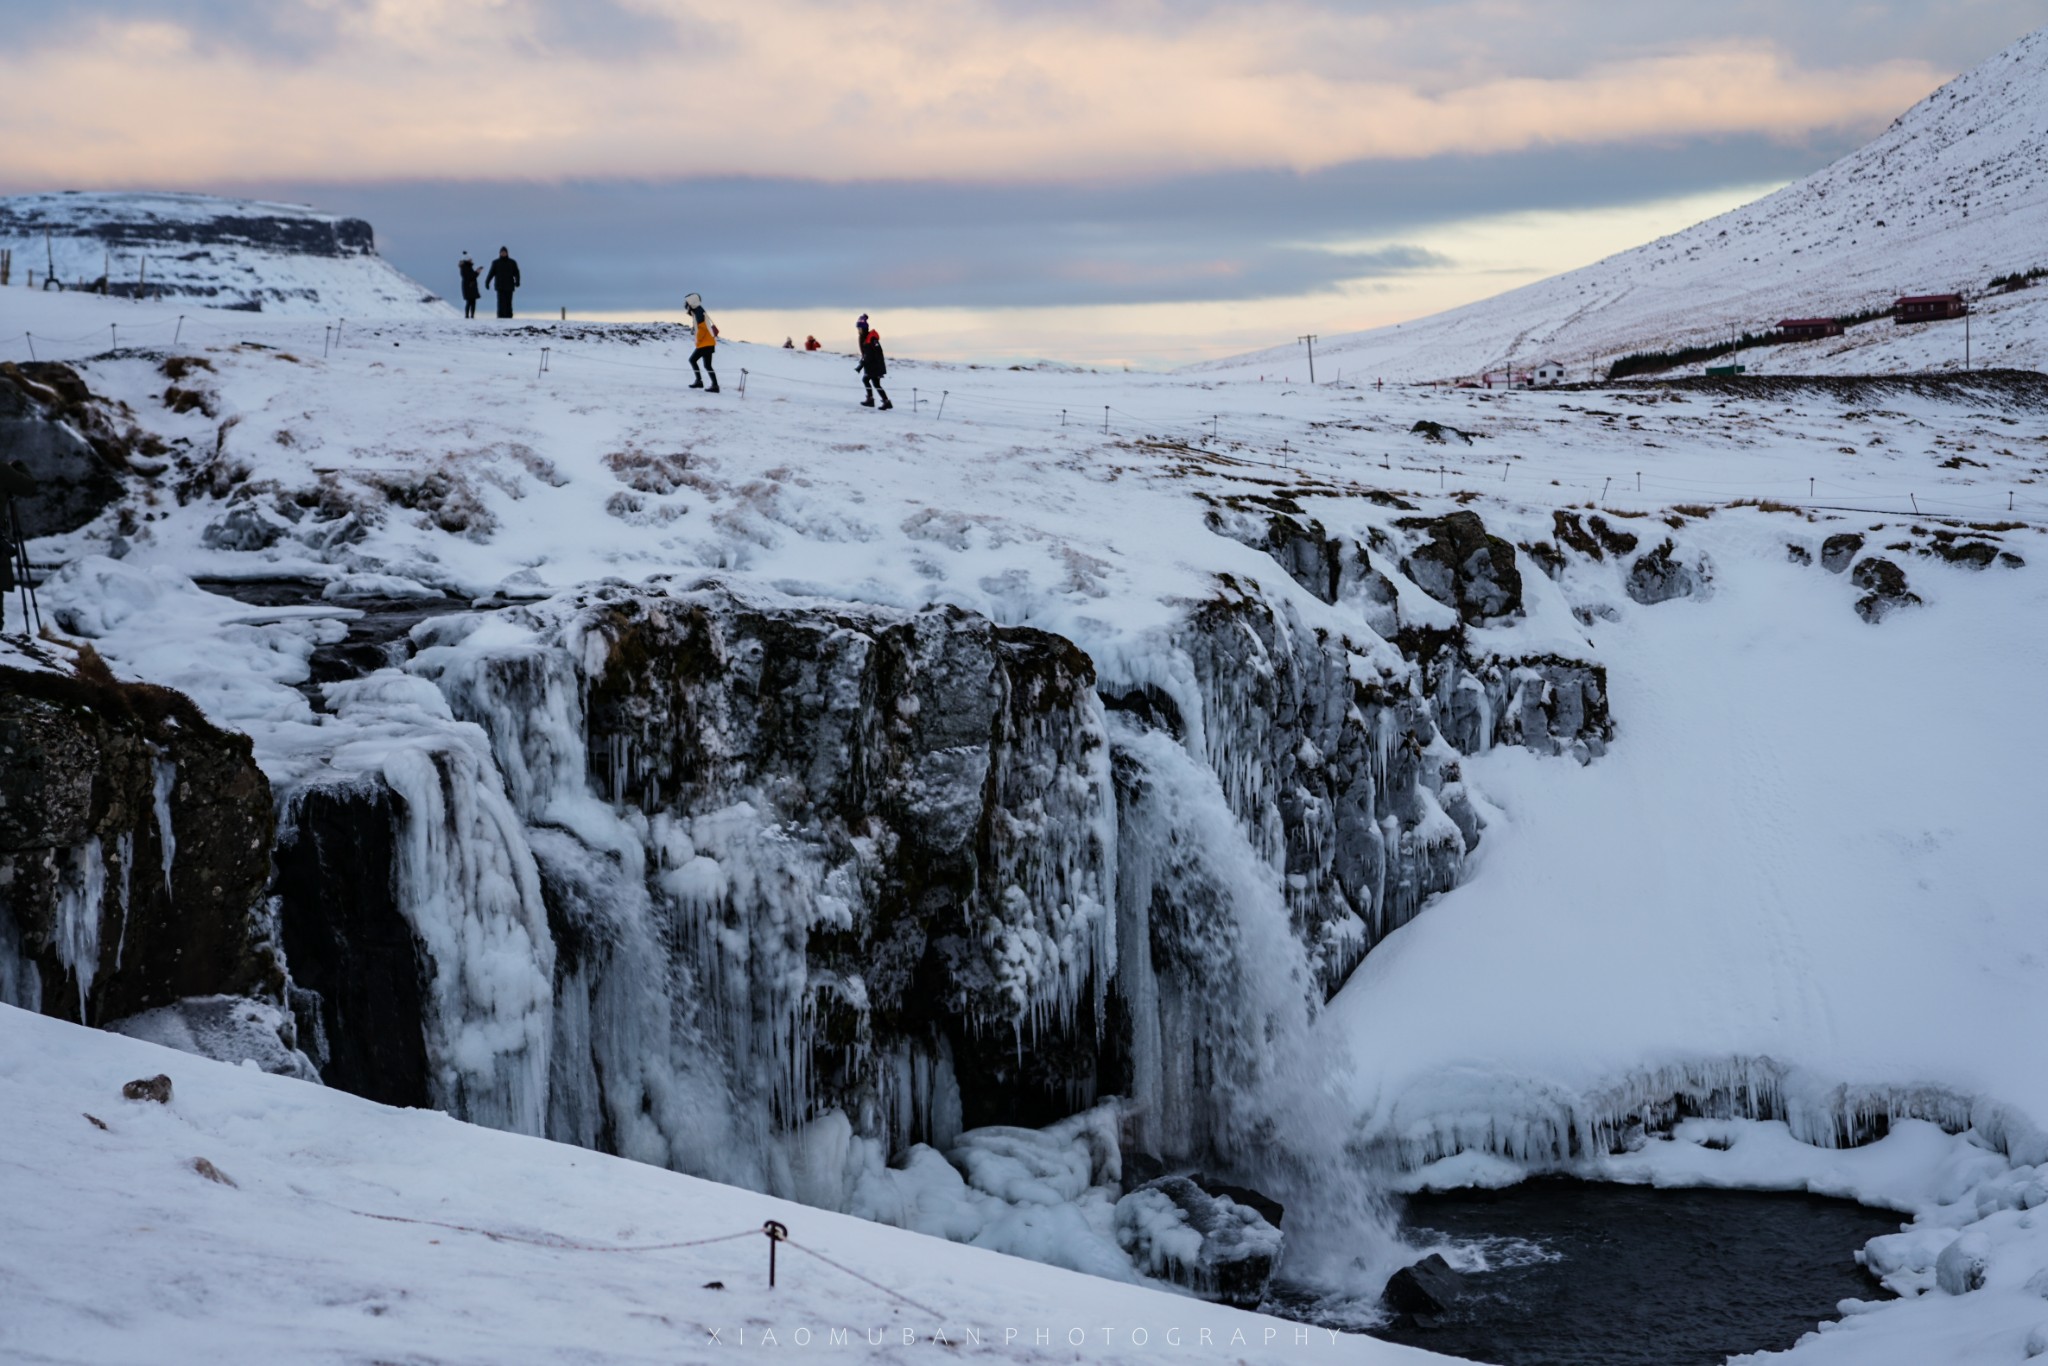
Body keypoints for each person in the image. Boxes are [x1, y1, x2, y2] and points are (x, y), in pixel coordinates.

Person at [684, 293, 719, 393]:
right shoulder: (699, 310)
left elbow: (703, 329)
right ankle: (715, 386)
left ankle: (699, 381)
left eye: (688, 302)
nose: (686, 305)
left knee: (692, 360)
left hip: (705, 343)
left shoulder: (698, 311)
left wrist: (698, 339)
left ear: (692, 302)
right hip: (709, 342)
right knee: (707, 365)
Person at [857, 328, 891, 410]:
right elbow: (867, 354)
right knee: (867, 380)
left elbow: (875, 354)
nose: (859, 331)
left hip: (875, 366)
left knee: (875, 383)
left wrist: (862, 364)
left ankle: (883, 401)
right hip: (871, 366)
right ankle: (873, 400)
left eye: (860, 329)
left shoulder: (872, 339)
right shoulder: (866, 339)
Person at [485, 247, 520, 319]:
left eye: (504, 252)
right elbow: (491, 273)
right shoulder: (496, 262)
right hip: (499, 286)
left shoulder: (512, 262)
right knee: (500, 302)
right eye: (502, 252)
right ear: (500, 253)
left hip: (509, 286)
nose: (503, 253)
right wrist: (487, 282)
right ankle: (500, 317)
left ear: (507, 253)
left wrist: (517, 282)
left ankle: (509, 316)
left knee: (508, 302)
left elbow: (516, 273)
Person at [458, 253, 481, 320]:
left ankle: (471, 316)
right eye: (470, 259)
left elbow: (472, 276)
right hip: (468, 286)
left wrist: (476, 273)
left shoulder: (466, 267)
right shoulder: (465, 267)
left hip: (470, 286)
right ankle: (468, 316)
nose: (471, 260)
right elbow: (470, 276)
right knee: (470, 302)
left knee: (472, 301)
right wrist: (477, 272)